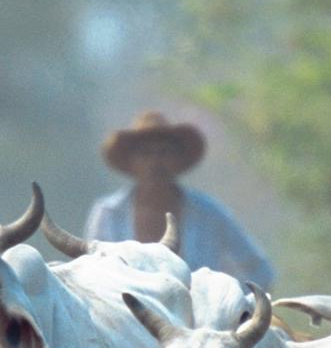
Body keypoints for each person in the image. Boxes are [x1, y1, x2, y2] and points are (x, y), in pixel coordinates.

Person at [84, 111, 275, 288]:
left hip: (198, 321)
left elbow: (260, 270)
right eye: (145, 154)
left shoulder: (208, 212)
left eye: (164, 152)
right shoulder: (108, 212)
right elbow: (90, 274)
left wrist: (230, 308)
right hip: (126, 319)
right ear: (131, 162)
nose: (155, 162)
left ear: (179, 159)